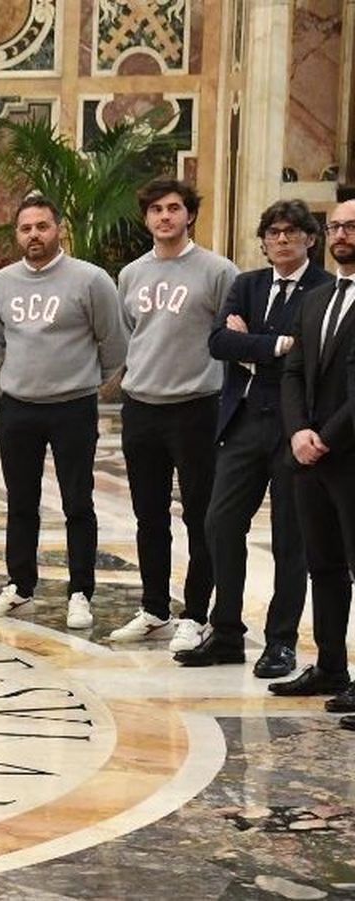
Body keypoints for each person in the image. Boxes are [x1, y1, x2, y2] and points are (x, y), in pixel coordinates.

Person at [177, 200, 327, 674]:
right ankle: (226, 633)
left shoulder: (324, 289)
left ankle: (281, 641)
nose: (281, 239)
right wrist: (277, 345)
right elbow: (219, 342)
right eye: (273, 232)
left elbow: (312, 355)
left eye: (291, 231)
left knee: (289, 537)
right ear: (263, 241)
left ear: (310, 238)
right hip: (243, 423)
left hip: (295, 426)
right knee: (219, 524)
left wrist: (253, 349)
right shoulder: (247, 285)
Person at [0, 196, 126, 629]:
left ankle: (80, 592)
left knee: (77, 502)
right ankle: (20, 586)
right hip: (18, 408)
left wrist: (83, 380)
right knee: (20, 502)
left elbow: (114, 343)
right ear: (17, 234)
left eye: (42, 226)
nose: (34, 235)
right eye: (26, 228)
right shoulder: (2, 283)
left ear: (58, 229)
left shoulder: (90, 280)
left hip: (72, 408)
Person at [107, 179, 237, 650]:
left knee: (200, 516)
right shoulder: (131, 274)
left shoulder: (218, 271)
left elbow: (232, 336)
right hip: (142, 407)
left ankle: (196, 614)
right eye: (157, 209)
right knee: (149, 516)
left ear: (189, 215)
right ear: (147, 218)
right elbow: (130, 334)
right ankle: (155, 609)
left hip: (196, 408)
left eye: (174, 208)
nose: (165, 216)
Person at [272, 197, 355, 705]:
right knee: (322, 565)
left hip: (349, 453)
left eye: (351, 226)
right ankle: (330, 666)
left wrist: (325, 437)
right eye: (336, 226)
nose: (342, 234)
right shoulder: (317, 298)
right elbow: (294, 373)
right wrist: (298, 432)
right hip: (309, 456)